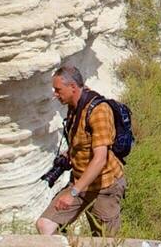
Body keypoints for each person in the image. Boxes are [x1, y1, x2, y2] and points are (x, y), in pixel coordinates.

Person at [36, 66, 127, 237]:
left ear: (72, 87)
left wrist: (72, 193)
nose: (55, 94)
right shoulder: (74, 105)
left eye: (58, 90)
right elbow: (83, 139)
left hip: (104, 186)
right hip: (81, 180)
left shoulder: (98, 111)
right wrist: (70, 154)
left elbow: (100, 159)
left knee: (106, 241)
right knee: (45, 225)